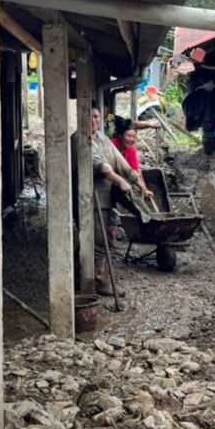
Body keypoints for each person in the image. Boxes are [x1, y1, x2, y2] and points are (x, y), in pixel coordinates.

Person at [75, 106, 154, 294]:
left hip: (107, 196)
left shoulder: (102, 138)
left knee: (105, 237)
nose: (94, 120)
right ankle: (95, 283)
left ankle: (83, 275)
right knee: (98, 240)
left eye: (97, 117)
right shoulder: (78, 139)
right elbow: (98, 165)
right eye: (90, 116)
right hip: (90, 197)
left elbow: (121, 163)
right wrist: (120, 181)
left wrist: (140, 185)